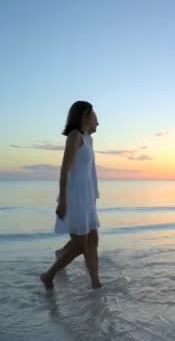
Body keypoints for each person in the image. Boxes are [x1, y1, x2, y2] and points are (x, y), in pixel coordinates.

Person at [40, 101, 102, 289]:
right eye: (95, 117)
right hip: (75, 197)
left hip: (87, 198)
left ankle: (96, 283)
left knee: (92, 240)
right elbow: (65, 170)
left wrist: (94, 196)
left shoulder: (88, 139)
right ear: (85, 116)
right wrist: (63, 200)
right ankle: (48, 275)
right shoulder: (75, 137)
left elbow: (89, 171)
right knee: (79, 245)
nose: (98, 123)